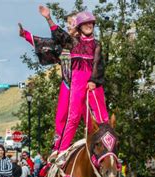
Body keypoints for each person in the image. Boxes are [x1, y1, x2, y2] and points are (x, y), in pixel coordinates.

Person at [39, 6, 109, 164]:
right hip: (77, 82)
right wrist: (48, 18)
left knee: (101, 117)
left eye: (91, 23)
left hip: (93, 83)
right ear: (79, 26)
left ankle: (107, 150)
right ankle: (61, 151)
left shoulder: (97, 44)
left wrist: (93, 80)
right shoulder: (73, 42)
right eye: (86, 23)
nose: (89, 25)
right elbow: (58, 35)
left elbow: (98, 64)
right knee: (73, 117)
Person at [19, 13, 77, 163]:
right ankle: (58, 147)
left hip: (82, 85)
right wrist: (26, 35)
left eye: (73, 23)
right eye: (69, 24)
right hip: (67, 83)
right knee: (61, 116)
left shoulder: (85, 43)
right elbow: (42, 44)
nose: (71, 26)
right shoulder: (62, 44)